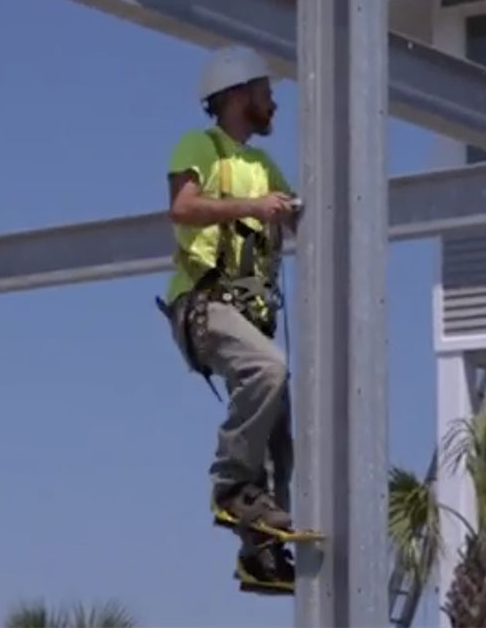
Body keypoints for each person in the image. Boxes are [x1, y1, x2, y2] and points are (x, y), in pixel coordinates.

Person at [157, 45, 301, 592]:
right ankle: (231, 486)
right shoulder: (202, 146)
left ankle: (262, 553)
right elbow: (183, 207)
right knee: (268, 370)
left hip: (246, 317)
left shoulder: (264, 167)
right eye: (266, 92)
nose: (274, 103)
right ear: (238, 94)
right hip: (203, 305)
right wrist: (254, 208)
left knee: (280, 435)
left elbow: (296, 219)